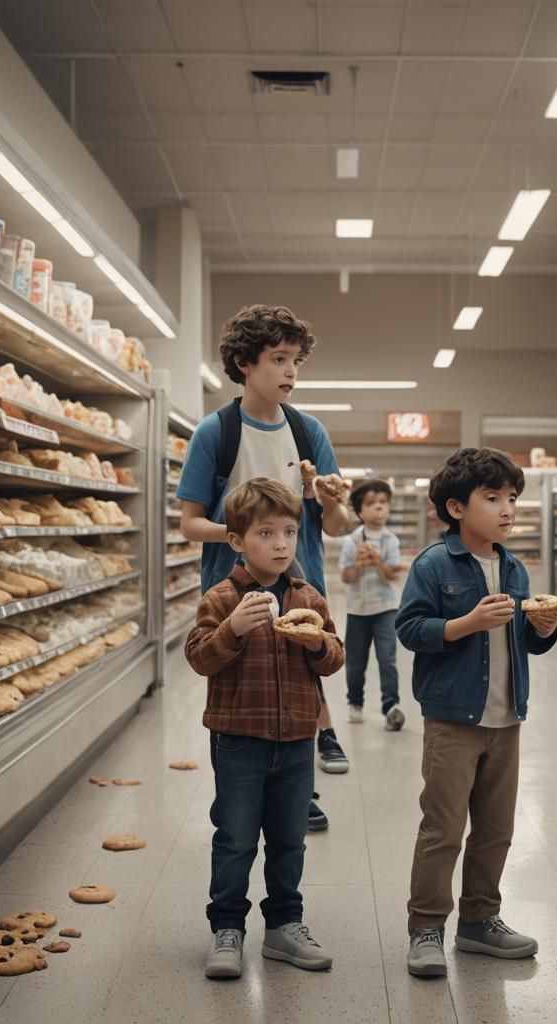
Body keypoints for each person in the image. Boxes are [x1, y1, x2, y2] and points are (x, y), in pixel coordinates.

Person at [177, 304, 354, 831]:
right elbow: (189, 524)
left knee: (300, 683)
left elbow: (338, 525)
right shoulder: (217, 432)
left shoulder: (307, 433)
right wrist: (245, 533)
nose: (291, 371)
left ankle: (301, 791)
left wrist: (332, 499)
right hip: (232, 592)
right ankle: (236, 793)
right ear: (243, 362)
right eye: (278, 359)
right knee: (240, 691)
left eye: (296, 360)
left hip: (301, 587)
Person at [394, 448, 557, 978]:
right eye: (491, 498)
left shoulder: (514, 567)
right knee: (443, 826)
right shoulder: (433, 564)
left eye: (511, 498)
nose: (507, 509)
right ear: (455, 507)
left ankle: (479, 920)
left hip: (506, 718)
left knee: (496, 828)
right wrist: (464, 623)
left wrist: (544, 631)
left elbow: (526, 645)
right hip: (453, 718)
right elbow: (409, 629)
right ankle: (426, 927)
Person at [185, 477, 345, 980]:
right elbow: (198, 657)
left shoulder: (309, 597)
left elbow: (335, 659)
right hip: (238, 740)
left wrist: (315, 643)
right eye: (266, 534)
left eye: (290, 533)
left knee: (289, 838)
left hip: (297, 740)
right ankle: (227, 929)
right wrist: (232, 630)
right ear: (236, 540)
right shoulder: (221, 598)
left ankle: (284, 925)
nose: (280, 545)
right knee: (234, 837)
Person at [339, 478, 405, 729]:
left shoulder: (391, 541)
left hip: (386, 608)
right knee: (355, 660)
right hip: (357, 609)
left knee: (387, 658)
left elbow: (392, 575)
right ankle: (355, 701)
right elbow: (346, 577)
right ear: (359, 511)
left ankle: (391, 705)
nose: (379, 507)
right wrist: (358, 564)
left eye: (384, 502)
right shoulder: (351, 542)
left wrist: (377, 562)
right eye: (372, 503)